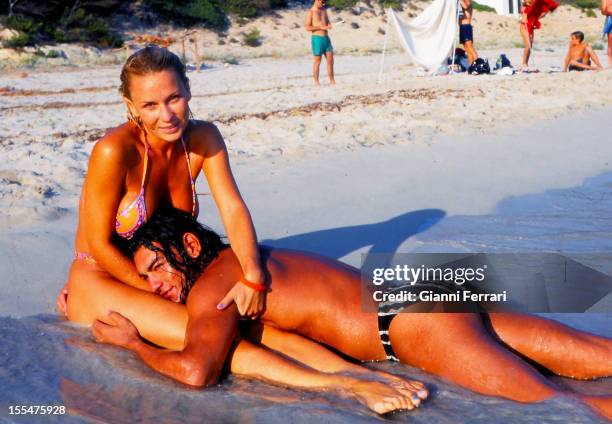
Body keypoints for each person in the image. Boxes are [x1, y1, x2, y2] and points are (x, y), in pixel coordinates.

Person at [92, 208, 612, 420]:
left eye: (157, 266)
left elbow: (197, 371)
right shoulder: (246, 255)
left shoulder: (213, 286)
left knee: (564, 406)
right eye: (146, 278)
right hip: (413, 281)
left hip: (410, 321)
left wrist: (134, 344)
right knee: (598, 355)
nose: (156, 285)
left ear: (188, 243)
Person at [59, 46, 268, 347]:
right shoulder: (114, 150)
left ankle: (348, 365)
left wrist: (253, 274)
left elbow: (232, 208)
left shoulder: (204, 138)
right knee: (212, 336)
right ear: (131, 106)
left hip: (166, 275)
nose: (166, 115)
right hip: (102, 275)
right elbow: (100, 245)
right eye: (150, 105)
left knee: (258, 305)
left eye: (174, 99)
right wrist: (160, 292)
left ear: (188, 90)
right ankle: (348, 384)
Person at [520, 0, 558, 71]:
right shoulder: (524, 7)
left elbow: (539, 15)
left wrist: (545, 13)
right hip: (524, 26)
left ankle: (526, 63)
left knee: (530, 45)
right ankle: (524, 64)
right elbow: (523, 16)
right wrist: (524, 16)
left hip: (530, 26)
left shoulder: (534, 6)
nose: (528, 1)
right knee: (528, 44)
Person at [304, 0, 336, 85]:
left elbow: (327, 23)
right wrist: (321, 27)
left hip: (326, 38)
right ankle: (316, 81)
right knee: (317, 61)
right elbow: (307, 27)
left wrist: (329, 26)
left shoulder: (324, 11)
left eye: (324, 2)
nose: (324, 4)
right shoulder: (311, 12)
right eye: (322, 2)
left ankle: (332, 80)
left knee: (330, 60)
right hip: (317, 38)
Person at [459, 0, 479, 65]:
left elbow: (465, 6)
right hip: (462, 27)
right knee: (467, 49)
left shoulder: (468, 1)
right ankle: (471, 66)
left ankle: (478, 63)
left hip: (466, 26)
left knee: (470, 47)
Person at [603, 0, 612, 67]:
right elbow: (603, 11)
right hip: (610, 18)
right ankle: (610, 62)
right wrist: (608, 11)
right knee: (610, 42)